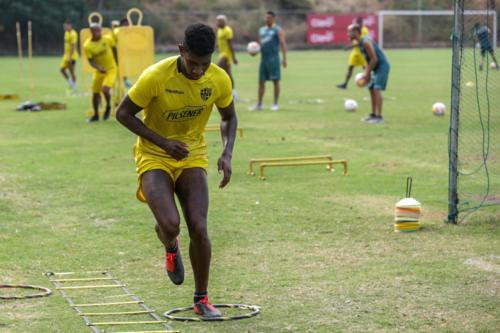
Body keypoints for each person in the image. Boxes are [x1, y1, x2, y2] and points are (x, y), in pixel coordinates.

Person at [116, 23, 237, 318]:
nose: (198, 71)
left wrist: (227, 152)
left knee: (199, 226)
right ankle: (170, 244)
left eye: (204, 64)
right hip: (154, 155)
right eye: (193, 63)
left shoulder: (218, 79)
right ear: (182, 51)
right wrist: (163, 142)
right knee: (171, 224)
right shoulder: (156, 76)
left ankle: (202, 299)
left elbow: (229, 117)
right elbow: (123, 113)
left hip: (192, 155)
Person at [349, 24, 390, 124]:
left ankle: (379, 117)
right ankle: (373, 115)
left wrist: (366, 73)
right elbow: (368, 59)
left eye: (350, 31)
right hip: (375, 67)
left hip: (382, 66)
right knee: (371, 88)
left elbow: (374, 59)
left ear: (357, 32)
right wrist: (366, 73)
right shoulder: (359, 43)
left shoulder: (365, 42)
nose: (348, 34)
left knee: (376, 89)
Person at [249, 11, 287, 111]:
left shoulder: (277, 30)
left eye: (269, 18)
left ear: (273, 19)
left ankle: (275, 104)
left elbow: (283, 44)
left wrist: (284, 59)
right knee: (261, 82)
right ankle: (259, 104)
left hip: (274, 60)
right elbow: (259, 45)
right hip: (263, 60)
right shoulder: (261, 30)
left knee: (275, 82)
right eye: (266, 18)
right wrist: (254, 51)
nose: (267, 19)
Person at [83, 23, 118, 122]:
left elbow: (114, 49)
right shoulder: (87, 45)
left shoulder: (107, 39)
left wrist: (117, 63)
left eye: (100, 30)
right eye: (97, 31)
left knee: (105, 89)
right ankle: (96, 115)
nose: (99, 33)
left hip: (111, 69)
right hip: (99, 71)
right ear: (92, 32)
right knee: (95, 93)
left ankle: (108, 107)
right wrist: (98, 67)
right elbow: (91, 61)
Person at [337, 16, 369, 89]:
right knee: (350, 67)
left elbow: (362, 42)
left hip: (362, 52)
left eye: (359, 22)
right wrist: (351, 39)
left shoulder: (364, 30)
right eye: (357, 22)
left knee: (365, 69)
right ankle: (345, 84)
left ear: (362, 22)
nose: (358, 24)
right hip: (355, 52)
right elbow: (352, 38)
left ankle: (368, 83)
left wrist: (349, 47)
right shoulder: (355, 29)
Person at [216, 14, 238, 100]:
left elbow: (230, 45)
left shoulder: (227, 30)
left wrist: (233, 57)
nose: (216, 23)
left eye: (218, 21)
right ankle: (234, 93)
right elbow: (219, 42)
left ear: (222, 22)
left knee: (216, 70)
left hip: (226, 55)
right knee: (228, 74)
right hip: (221, 54)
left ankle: (220, 92)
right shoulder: (219, 30)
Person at [60, 20, 79, 91]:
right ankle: (71, 83)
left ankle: (75, 87)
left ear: (70, 25)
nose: (64, 27)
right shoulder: (66, 33)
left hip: (72, 56)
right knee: (62, 69)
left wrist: (70, 57)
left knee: (72, 72)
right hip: (66, 55)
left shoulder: (73, 34)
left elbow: (73, 46)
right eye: (64, 26)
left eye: (66, 26)